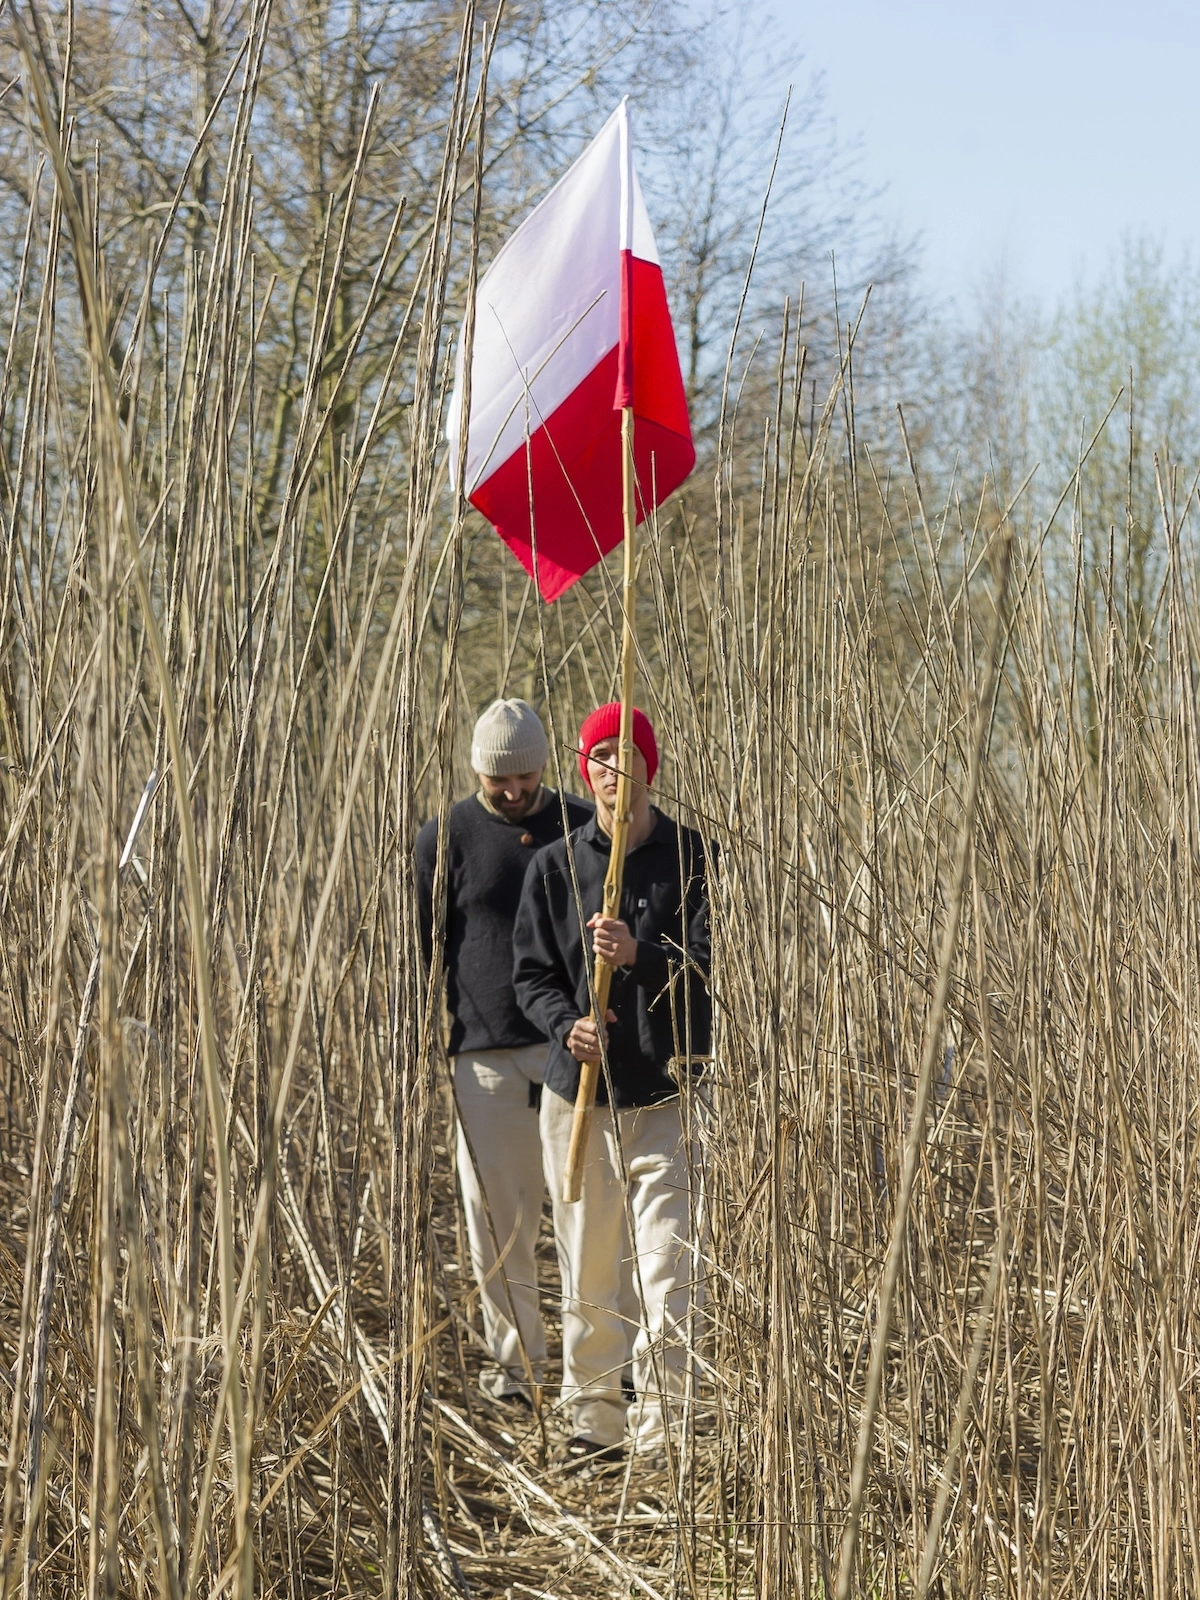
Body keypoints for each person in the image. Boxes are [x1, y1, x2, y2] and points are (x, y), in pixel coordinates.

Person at [513, 701, 711, 1465]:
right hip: (580, 1098)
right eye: (599, 757)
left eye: (626, 756)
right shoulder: (555, 864)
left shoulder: (693, 857)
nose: (611, 771)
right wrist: (569, 1022)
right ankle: (594, 1426)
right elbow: (530, 976)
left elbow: (712, 963)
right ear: (583, 770)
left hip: (669, 1093)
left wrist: (638, 956)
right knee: (590, 1263)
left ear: (648, 768)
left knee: (669, 1273)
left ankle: (664, 1435)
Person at [417, 698, 592, 1404]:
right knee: (499, 1224)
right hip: (483, 1059)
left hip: (573, 1053)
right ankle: (517, 1372)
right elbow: (424, 950)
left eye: (527, 780)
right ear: (477, 773)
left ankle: (597, 1375)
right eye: (500, 784)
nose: (515, 794)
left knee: (586, 1216)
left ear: (545, 768)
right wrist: (427, 1041)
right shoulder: (445, 837)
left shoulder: (583, 825)